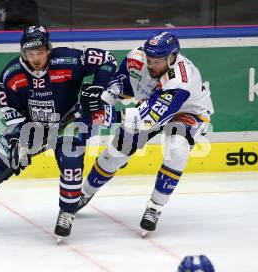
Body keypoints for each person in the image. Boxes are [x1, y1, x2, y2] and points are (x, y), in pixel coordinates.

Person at [0, 25, 117, 241]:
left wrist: (98, 87)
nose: (35, 58)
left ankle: (67, 212)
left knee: (71, 163)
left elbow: (108, 60)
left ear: (49, 49)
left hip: (69, 121)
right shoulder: (11, 75)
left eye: (40, 53)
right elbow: (11, 113)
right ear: (23, 52)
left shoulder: (69, 60)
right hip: (31, 126)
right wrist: (19, 142)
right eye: (30, 54)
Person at [78, 31, 214, 236]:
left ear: (172, 57)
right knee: (115, 154)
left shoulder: (180, 81)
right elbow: (118, 86)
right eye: (149, 59)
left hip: (188, 112)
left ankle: (155, 208)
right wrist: (99, 106)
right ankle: (84, 193)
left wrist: (105, 116)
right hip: (149, 105)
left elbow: (148, 118)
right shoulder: (136, 58)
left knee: (177, 150)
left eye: (157, 61)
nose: (151, 65)